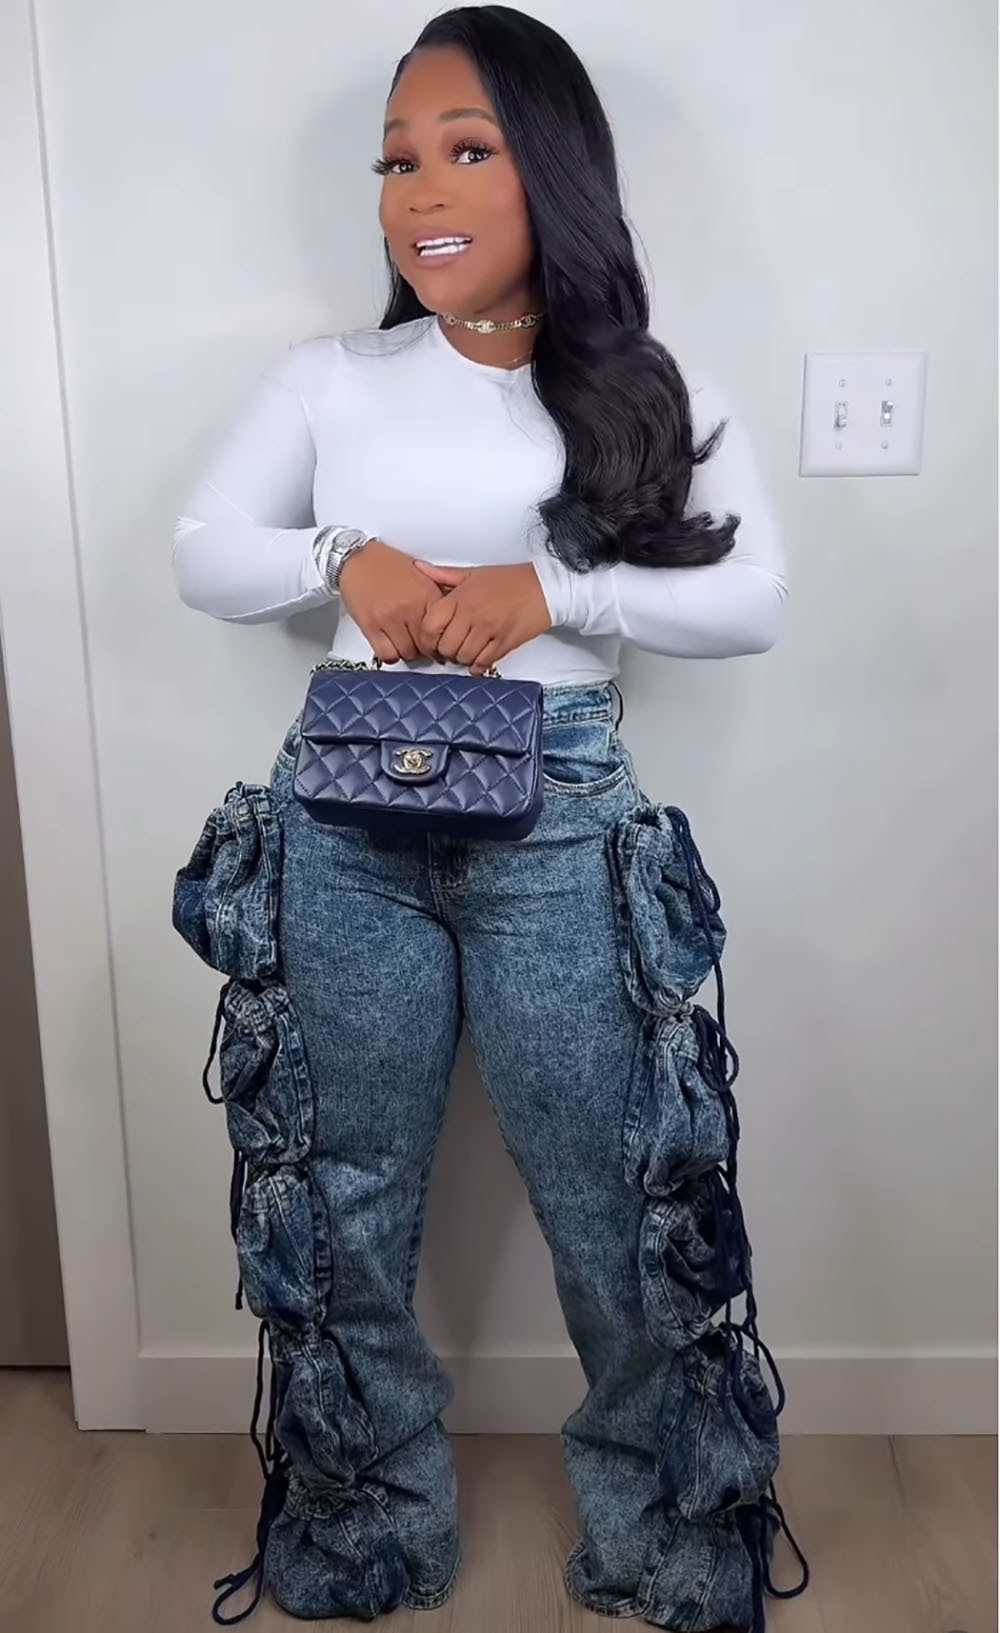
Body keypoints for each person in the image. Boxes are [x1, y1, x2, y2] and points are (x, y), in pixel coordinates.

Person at [171, 6, 808, 1629]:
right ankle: (364, 1519)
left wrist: (557, 589)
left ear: (557, 172)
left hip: (563, 816)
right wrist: (345, 557)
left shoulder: (648, 385)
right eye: (398, 160)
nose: (423, 191)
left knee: (614, 1185)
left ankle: (661, 1533)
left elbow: (753, 597)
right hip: (343, 817)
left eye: (468, 149)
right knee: (345, 1189)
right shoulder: (331, 379)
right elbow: (203, 548)